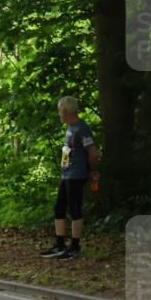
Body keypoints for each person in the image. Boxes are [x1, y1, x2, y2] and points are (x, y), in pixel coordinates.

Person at [40, 96, 99, 260]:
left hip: (77, 175)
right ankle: (60, 244)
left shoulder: (82, 128)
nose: (59, 114)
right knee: (59, 208)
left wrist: (92, 171)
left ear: (65, 111)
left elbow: (93, 152)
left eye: (59, 111)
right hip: (67, 174)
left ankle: (75, 246)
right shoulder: (70, 127)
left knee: (74, 209)